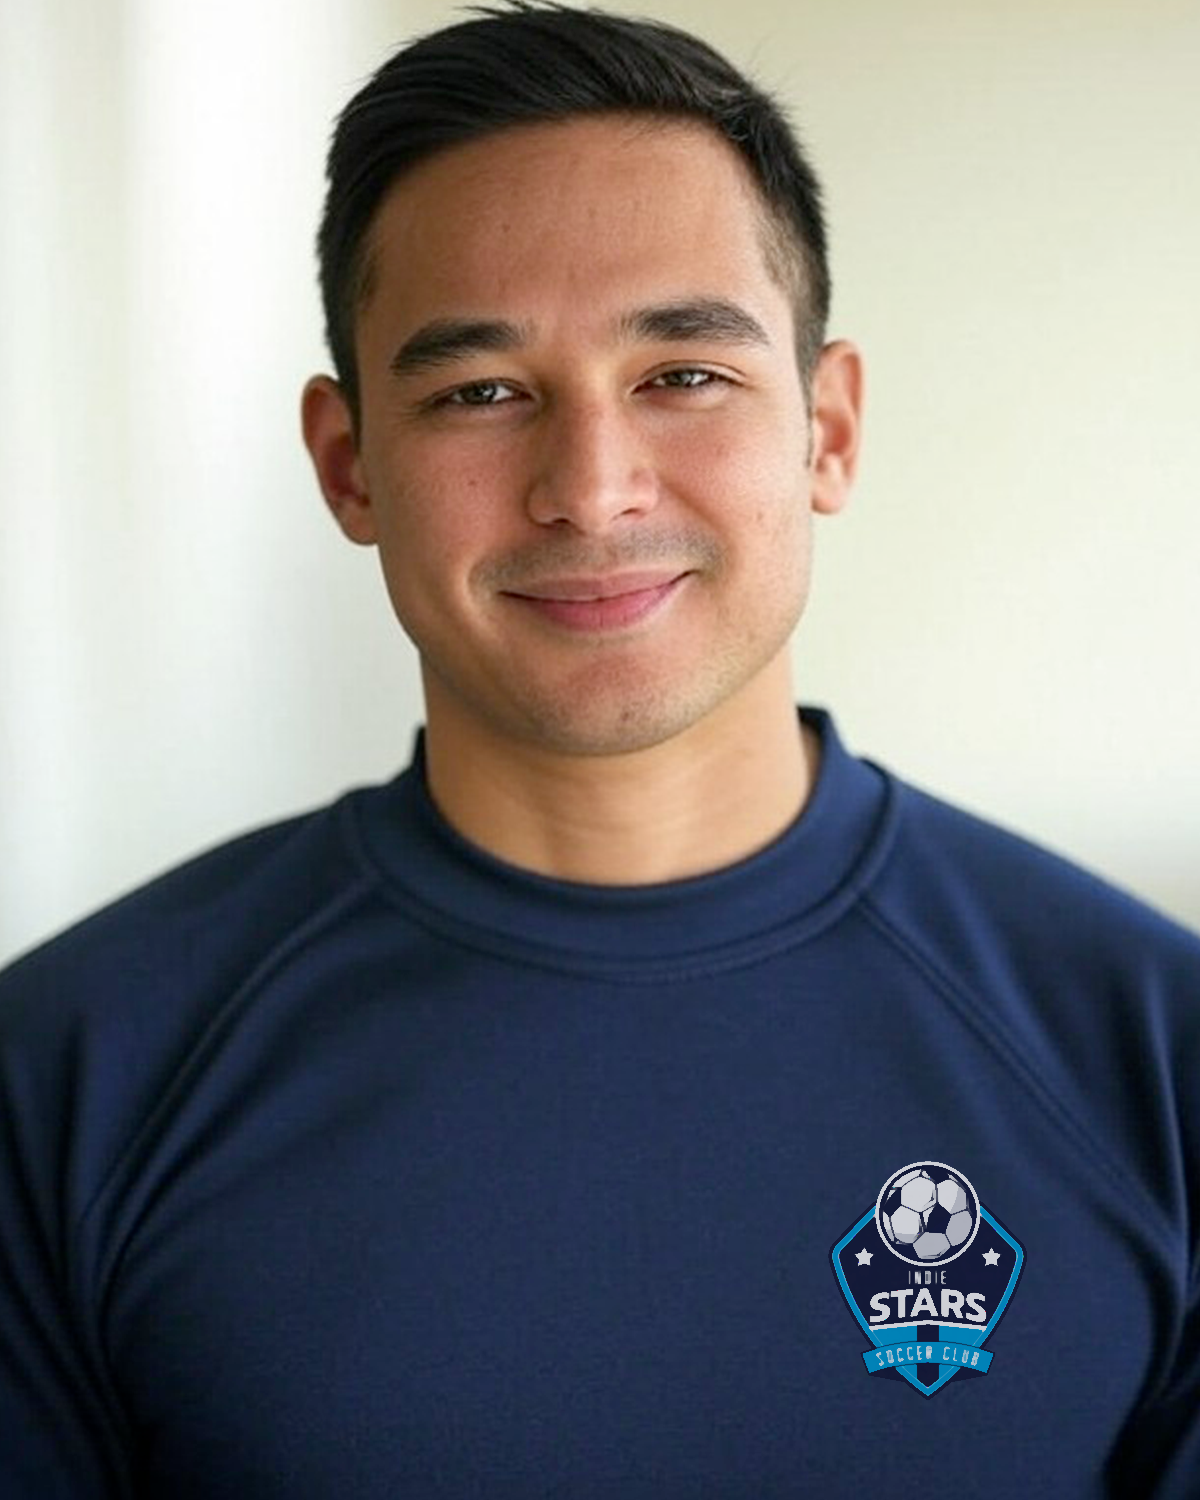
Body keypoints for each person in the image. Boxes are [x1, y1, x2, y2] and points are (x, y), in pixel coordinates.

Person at [1, 4, 1197, 1495]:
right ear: (349, 465)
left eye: (683, 374)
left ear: (826, 432)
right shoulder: (66, 1079)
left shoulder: (1153, 1054)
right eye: (479, 393)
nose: (591, 486)